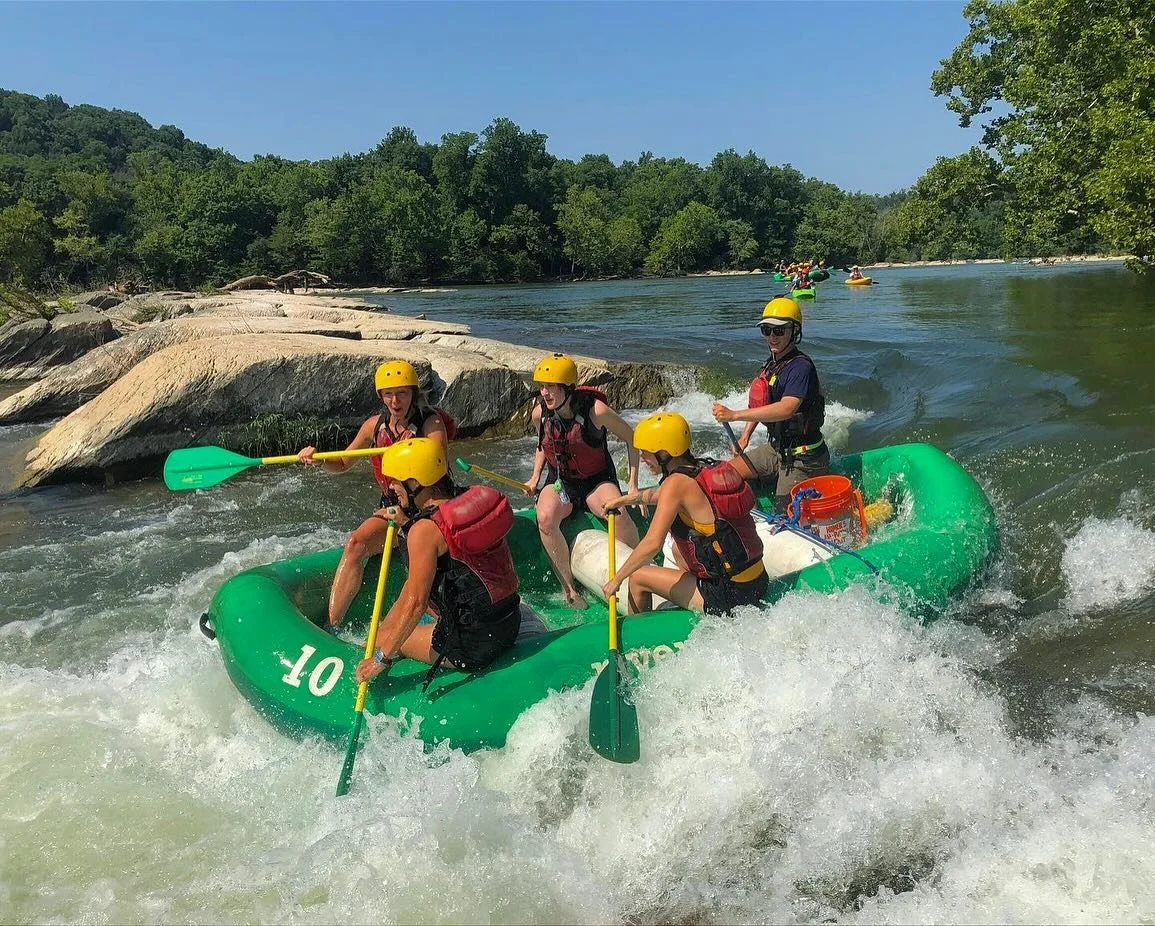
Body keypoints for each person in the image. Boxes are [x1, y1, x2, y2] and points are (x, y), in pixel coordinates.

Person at [354, 437, 522, 686]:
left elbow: (416, 603)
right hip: (508, 623)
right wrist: (406, 523)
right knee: (386, 626)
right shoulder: (466, 499)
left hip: (474, 645)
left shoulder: (424, 531)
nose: (391, 488)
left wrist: (381, 658)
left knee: (382, 638)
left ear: (414, 482)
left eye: (395, 481)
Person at [299, 359, 451, 629]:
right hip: (392, 506)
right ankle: (332, 626)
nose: (395, 401)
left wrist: (407, 512)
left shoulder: (431, 423)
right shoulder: (374, 426)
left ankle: (447, 622)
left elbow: (434, 470)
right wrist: (320, 458)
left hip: (429, 506)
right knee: (356, 543)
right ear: (381, 396)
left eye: (402, 392)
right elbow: (343, 463)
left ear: (413, 393)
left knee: (423, 575)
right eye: (389, 394)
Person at [601, 412, 768, 616]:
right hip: (757, 581)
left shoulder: (676, 483)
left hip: (729, 596)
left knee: (637, 578)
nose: (643, 458)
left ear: (664, 453)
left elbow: (653, 543)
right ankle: (689, 601)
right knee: (680, 552)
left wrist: (617, 579)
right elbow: (657, 495)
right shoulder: (702, 467)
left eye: (646, 452)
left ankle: (641, 638)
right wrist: (624, 500)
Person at [526, 352, 640, 607]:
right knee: (544, 518)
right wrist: (535, 477)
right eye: (542, 387)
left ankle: (640, 572)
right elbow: (543, 445)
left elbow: (632, 438)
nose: (545, 393)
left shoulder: (596, 411)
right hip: (561, 482)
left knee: (617, 513)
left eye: (551, 386)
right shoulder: (539, 414)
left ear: (567, 387)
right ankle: (570, 589)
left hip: (596, 482)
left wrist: (632, 485)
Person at [712, 297, 829, 512]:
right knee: (723, 476)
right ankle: (751, 520)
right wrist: (745, 436)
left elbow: (787, 408)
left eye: (779, 330)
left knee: (783, 514)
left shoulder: (800, 367)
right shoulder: (773, 364)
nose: (772, 337)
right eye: (767, 330)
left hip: (804, 456)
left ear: (794, 331)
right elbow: (761, 402)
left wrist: (734, 415)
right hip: (778, 449)